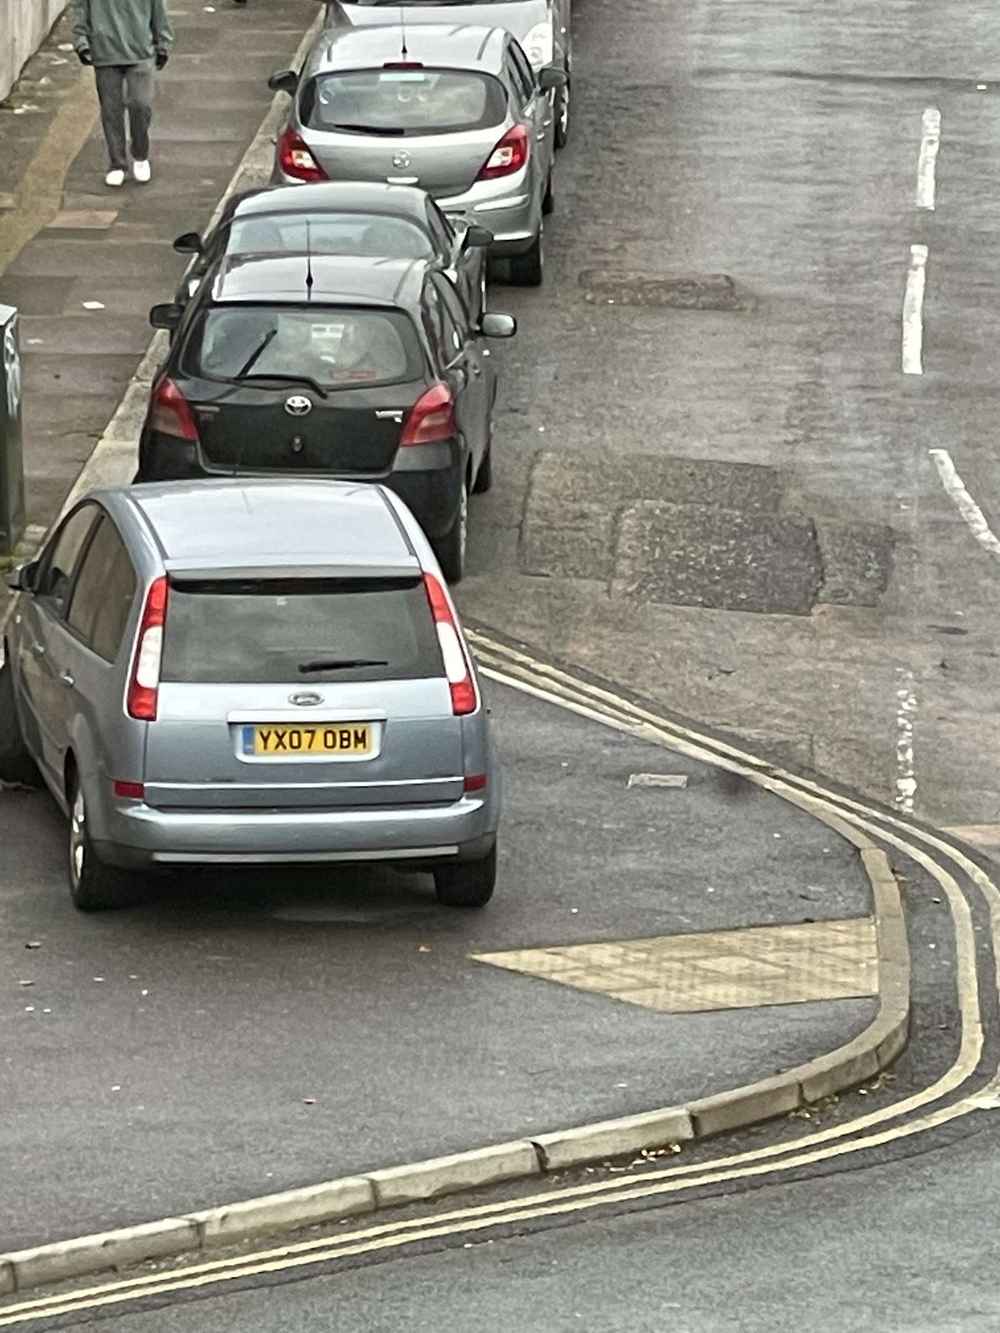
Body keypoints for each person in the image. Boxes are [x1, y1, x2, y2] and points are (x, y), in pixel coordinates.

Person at [71, 0, 174, 188]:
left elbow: (158, 9)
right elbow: (80, 8)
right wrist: (81, 41)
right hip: (105, 52)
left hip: (141, 51)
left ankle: (140, 154)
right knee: (111, 111)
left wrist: (163, 42)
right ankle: (117, 164)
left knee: (140, 104)